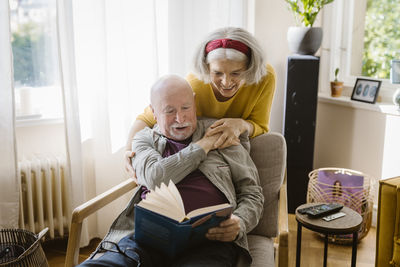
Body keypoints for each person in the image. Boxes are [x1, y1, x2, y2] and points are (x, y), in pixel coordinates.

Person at [79, 75, 264, 267]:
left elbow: (252, 193)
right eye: (169, 111)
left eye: (186, 107)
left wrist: (240, 222)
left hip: (210, 242)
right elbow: (155, 178)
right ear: (154, 112)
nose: (180, 118)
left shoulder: (221, 133)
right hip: (148, 240)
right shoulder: (144, 139)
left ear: (194, 101)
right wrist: (203, 146)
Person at [125, 26, 276, 177]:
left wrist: (242, 124)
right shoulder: (194, 84)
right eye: (217, 73)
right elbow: (147, 118)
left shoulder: (264, 77)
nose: (226, 82)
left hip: (232, 154)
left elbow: (260, 125)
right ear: (206, 67)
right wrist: (128, 151)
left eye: (236, 73)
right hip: (197, 157)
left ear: (249, 68)